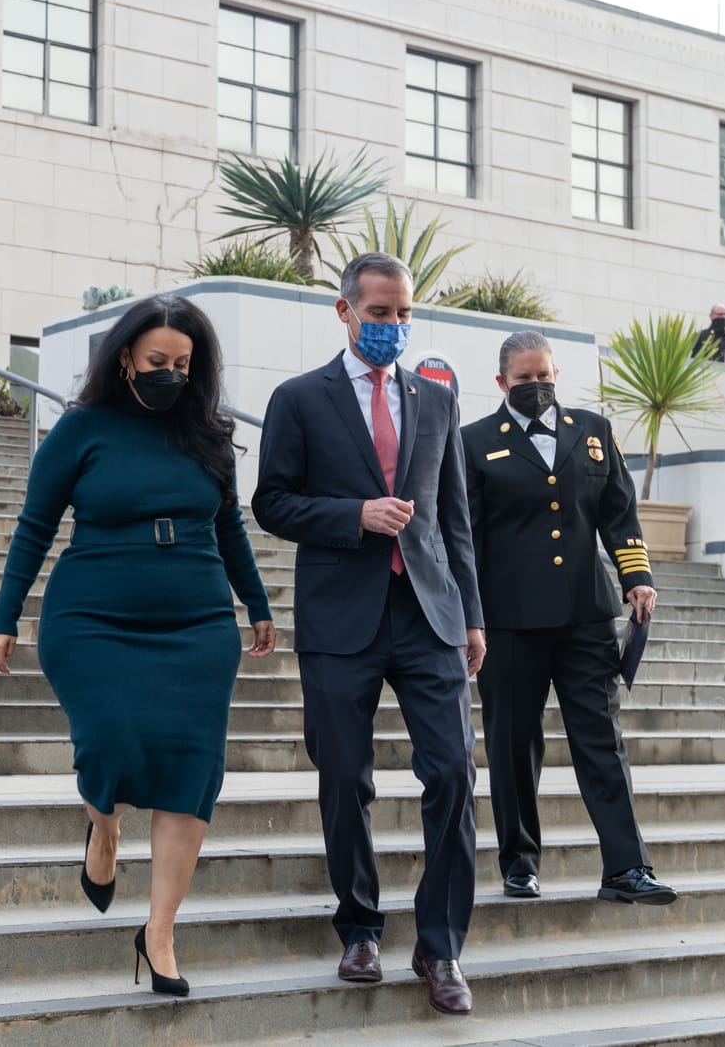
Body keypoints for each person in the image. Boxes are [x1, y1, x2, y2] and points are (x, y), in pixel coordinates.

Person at [0, 294, 275, 998]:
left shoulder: (208, 432)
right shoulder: (81, 429)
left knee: (191, 770)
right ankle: (104, 831)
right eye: (157, 361)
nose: (171, 373)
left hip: (198, 621)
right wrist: (5, 615)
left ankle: (160, 932)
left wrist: (257, 602)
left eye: (184, 363)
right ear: (124, 357)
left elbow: (231, 527)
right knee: (109, 745)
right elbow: (34, 526)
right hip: (93, 616)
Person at [252, 252, 485, 1017]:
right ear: (345, 310)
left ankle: (441, 942)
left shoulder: (436, 401)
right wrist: (352, 516)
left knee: (452, 773)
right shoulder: (298, 399)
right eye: (379, 313)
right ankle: (358, 926)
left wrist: (473, 614)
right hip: (340, 618)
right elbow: (273, 503)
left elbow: (455, 519)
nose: (393, 327)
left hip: (429, 615)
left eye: (403, 314)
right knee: (345, 776)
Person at [462, 331, 677, 907]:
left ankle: (626, 868)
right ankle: (520, 863)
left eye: (546, 377)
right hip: (509, 621)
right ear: (502, 382)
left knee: (601, 739)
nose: (538, 388)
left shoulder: (593, 432)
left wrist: (636, 576)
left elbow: (619, 512)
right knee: (512, 745)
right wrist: (468, 614)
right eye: (526, 379)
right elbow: (466, 538)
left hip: (585, 614)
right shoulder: (475, 442)